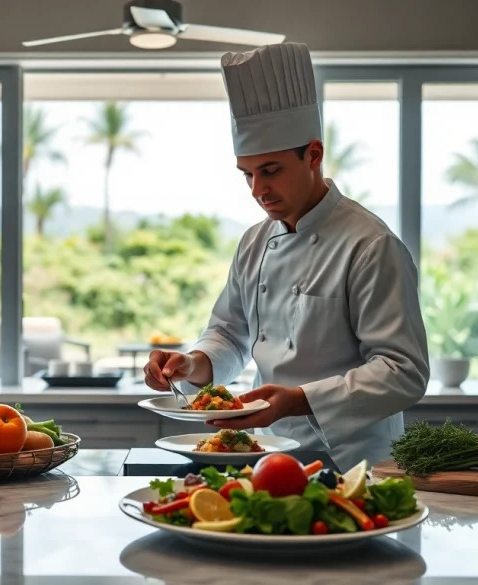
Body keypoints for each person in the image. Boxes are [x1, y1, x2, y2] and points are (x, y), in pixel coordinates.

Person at [143, 42, 430, 472]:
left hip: (355, 463)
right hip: (269, 456)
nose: (259, 189)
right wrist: (192, 364)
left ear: (313, 154)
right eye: (248, 174)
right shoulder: (254, 242)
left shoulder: (370, 245)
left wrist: (299, 399)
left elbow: (403, 371)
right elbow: (229, 335)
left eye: (271, 170)